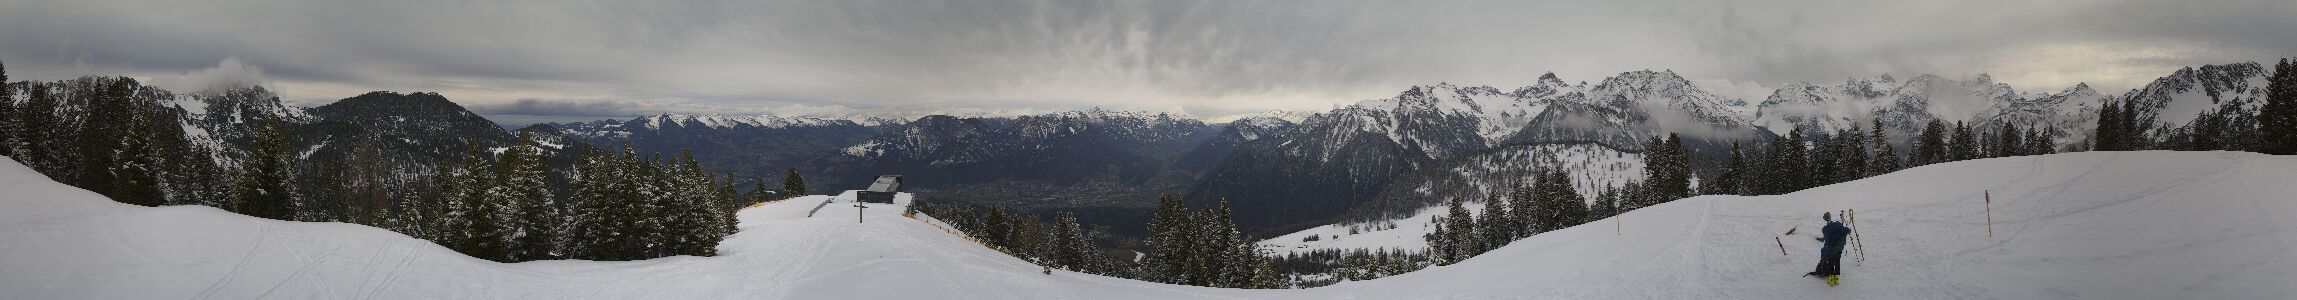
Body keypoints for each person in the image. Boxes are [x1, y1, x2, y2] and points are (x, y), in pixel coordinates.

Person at [1809, 212, 1852, 285]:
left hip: (1831, 250)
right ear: (1830, 217)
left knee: (1831, 263)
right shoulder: (1838, 224)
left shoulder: (1825, 229)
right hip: (1839, 248)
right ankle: (1837, 280)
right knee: (1837, 262)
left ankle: (1832, 281)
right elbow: (1848, 230)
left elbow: (1827, 242)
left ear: (1825, 219)